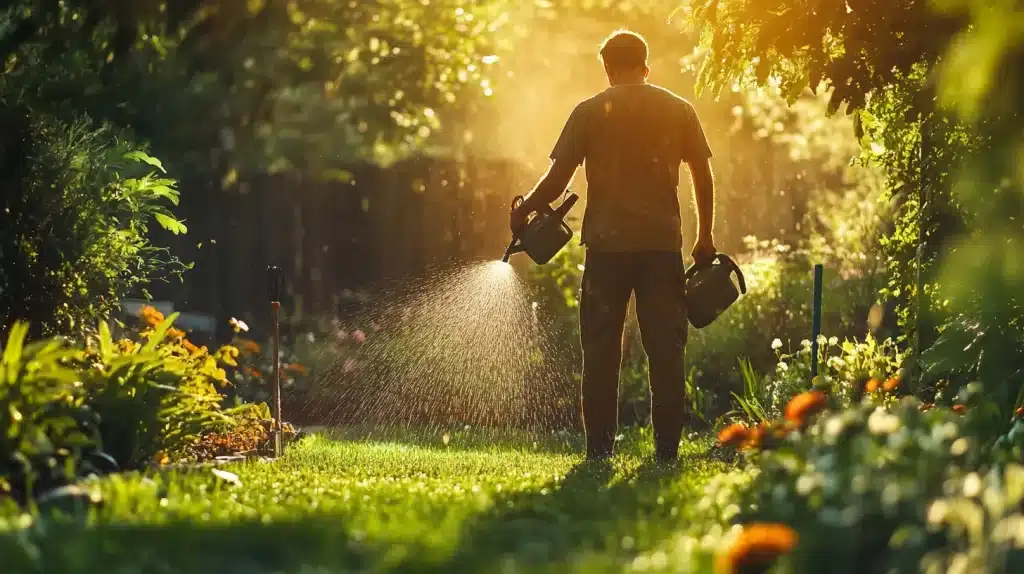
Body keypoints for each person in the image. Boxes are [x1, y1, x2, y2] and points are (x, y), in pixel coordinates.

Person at [509, 29, 716, 463]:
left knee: (600, 352)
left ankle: (599, 452)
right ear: (645, 66)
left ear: (607, 68)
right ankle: (665, 454)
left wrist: (525, 207)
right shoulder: (678, 109)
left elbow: (557, 179)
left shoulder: (588, 112)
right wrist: (704, 235)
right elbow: (702, 172)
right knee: (666, 352)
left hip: (605, 249)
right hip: (662, 249)